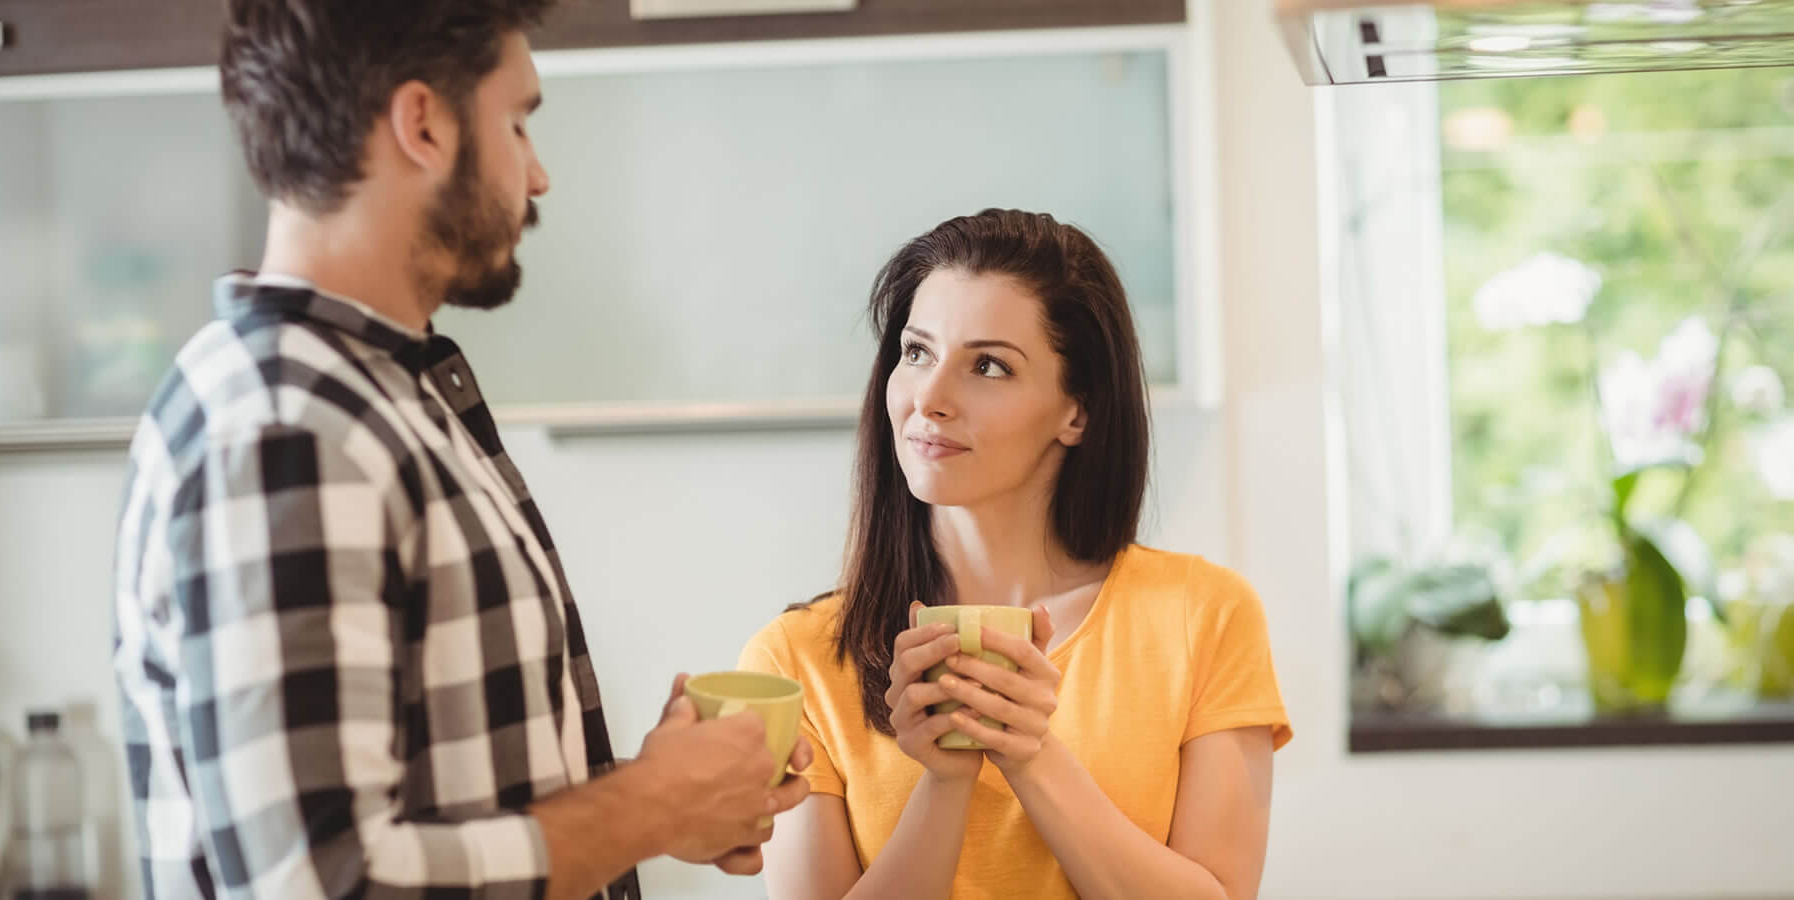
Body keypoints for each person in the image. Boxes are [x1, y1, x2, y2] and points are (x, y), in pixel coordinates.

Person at [110, 3, 809, 898]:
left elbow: (445, 802)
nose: (539, 173)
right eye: (517, 122)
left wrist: (671, 795)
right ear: (425, 125)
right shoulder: (287, 430)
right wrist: (650, 807)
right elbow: (323, 881)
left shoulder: (378, 396)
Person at [740, 209, 1293, 900]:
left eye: (989, 366)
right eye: (916, 353)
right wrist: (945, 781)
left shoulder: (1203, 615)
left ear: (1077, 411)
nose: (930, 399)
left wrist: (1030, 756)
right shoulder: (794, 661)